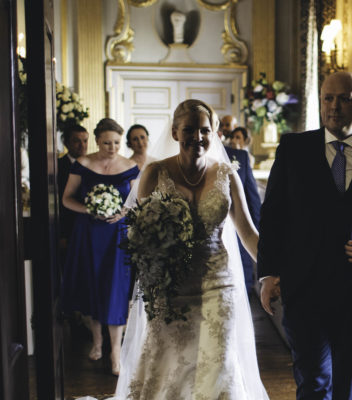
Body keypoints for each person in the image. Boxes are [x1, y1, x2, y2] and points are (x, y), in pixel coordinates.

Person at [258, 71, 352, 399]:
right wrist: (269, 272)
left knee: (344, 391)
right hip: (303, 289)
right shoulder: (293, 148)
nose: (334, 106)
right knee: (313, 385)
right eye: (328, 98)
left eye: (345, 99)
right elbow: (273, 215)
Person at [115, 99, 268, 399]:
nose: (197, 137)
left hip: (218, 283)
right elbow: (139, 236)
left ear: (214, 133)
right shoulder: (155, 173)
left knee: (218, 363)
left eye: (204, 130)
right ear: (175, 132)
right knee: (170, 365)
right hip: (170, 287)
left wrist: (274, 271)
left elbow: (248, 233)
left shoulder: (227, 174)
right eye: (189, 130)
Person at [61, 118, 140, 376]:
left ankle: (115, 351)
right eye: (106, 143)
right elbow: (66, 199)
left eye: (117, 142)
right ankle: (97, 341)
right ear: (97, 141)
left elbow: (135, 201)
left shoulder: (130, 167)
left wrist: (123, 213)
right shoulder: (83, 165)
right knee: (93, 286)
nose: (112, 147)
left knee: (115, 289)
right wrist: (90, 208)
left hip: (117, 236)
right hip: (88, 234)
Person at [219, 126, 261, 291]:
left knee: (243, 285)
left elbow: (252, 197)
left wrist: (258, 229)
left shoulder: (240, 157)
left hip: (239, 231)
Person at [58, 124, 89, 250]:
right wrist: (63, 234)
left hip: (89, 226)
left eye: (85, 141)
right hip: (69, 227)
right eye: (76, 141)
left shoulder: (93, 165)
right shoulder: (58, 167)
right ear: (66, 143)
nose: (82, 145)